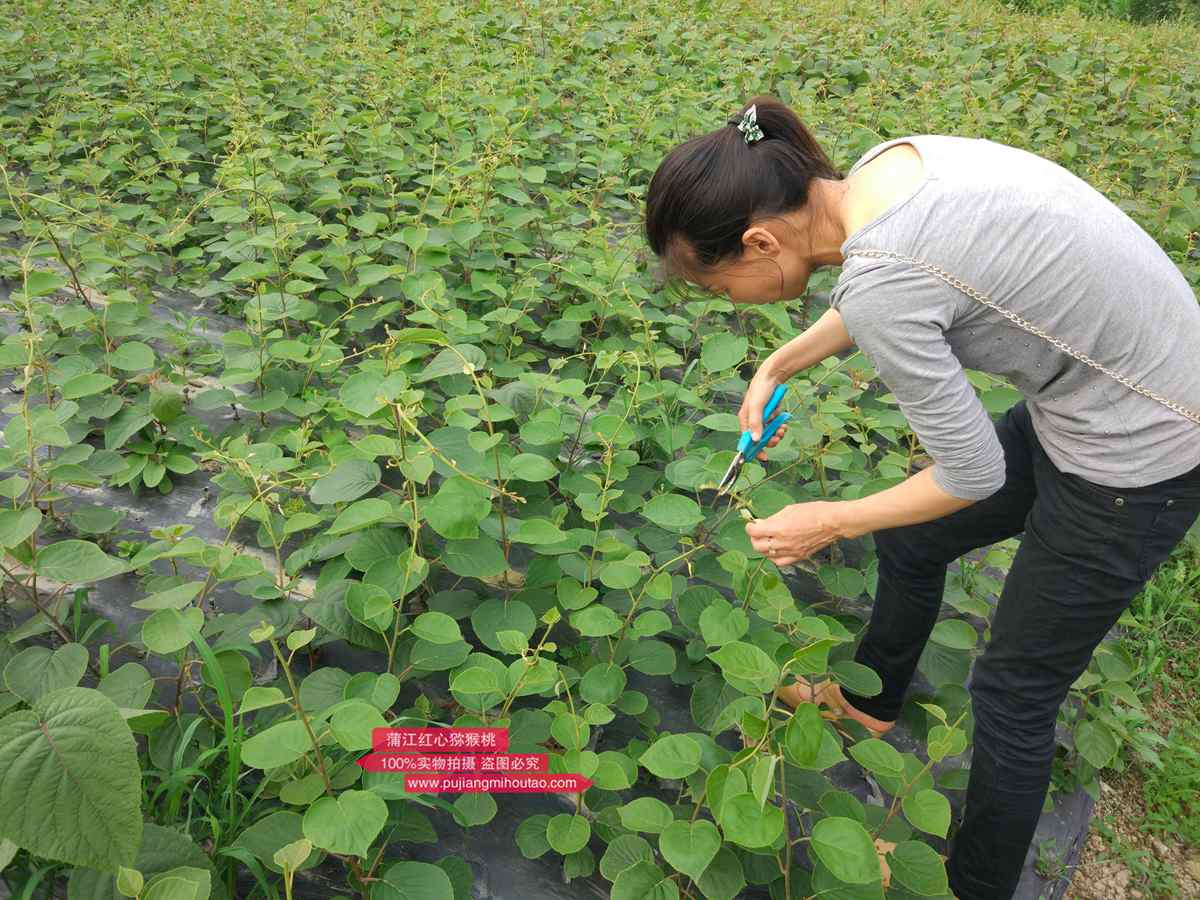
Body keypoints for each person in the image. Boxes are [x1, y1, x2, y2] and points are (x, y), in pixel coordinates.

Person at [641, 94, 1200, 899]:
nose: (732, 303)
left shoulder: (883, 283)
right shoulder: (881, 171)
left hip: (1143, 450)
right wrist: (776, 367)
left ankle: (973, 886)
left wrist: (829, 520)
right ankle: (871, 702)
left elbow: (971, 469)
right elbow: (904, 278)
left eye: (722, 285)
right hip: (1110, 388)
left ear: (760, 241)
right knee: (914, 539)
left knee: (1013, 695)